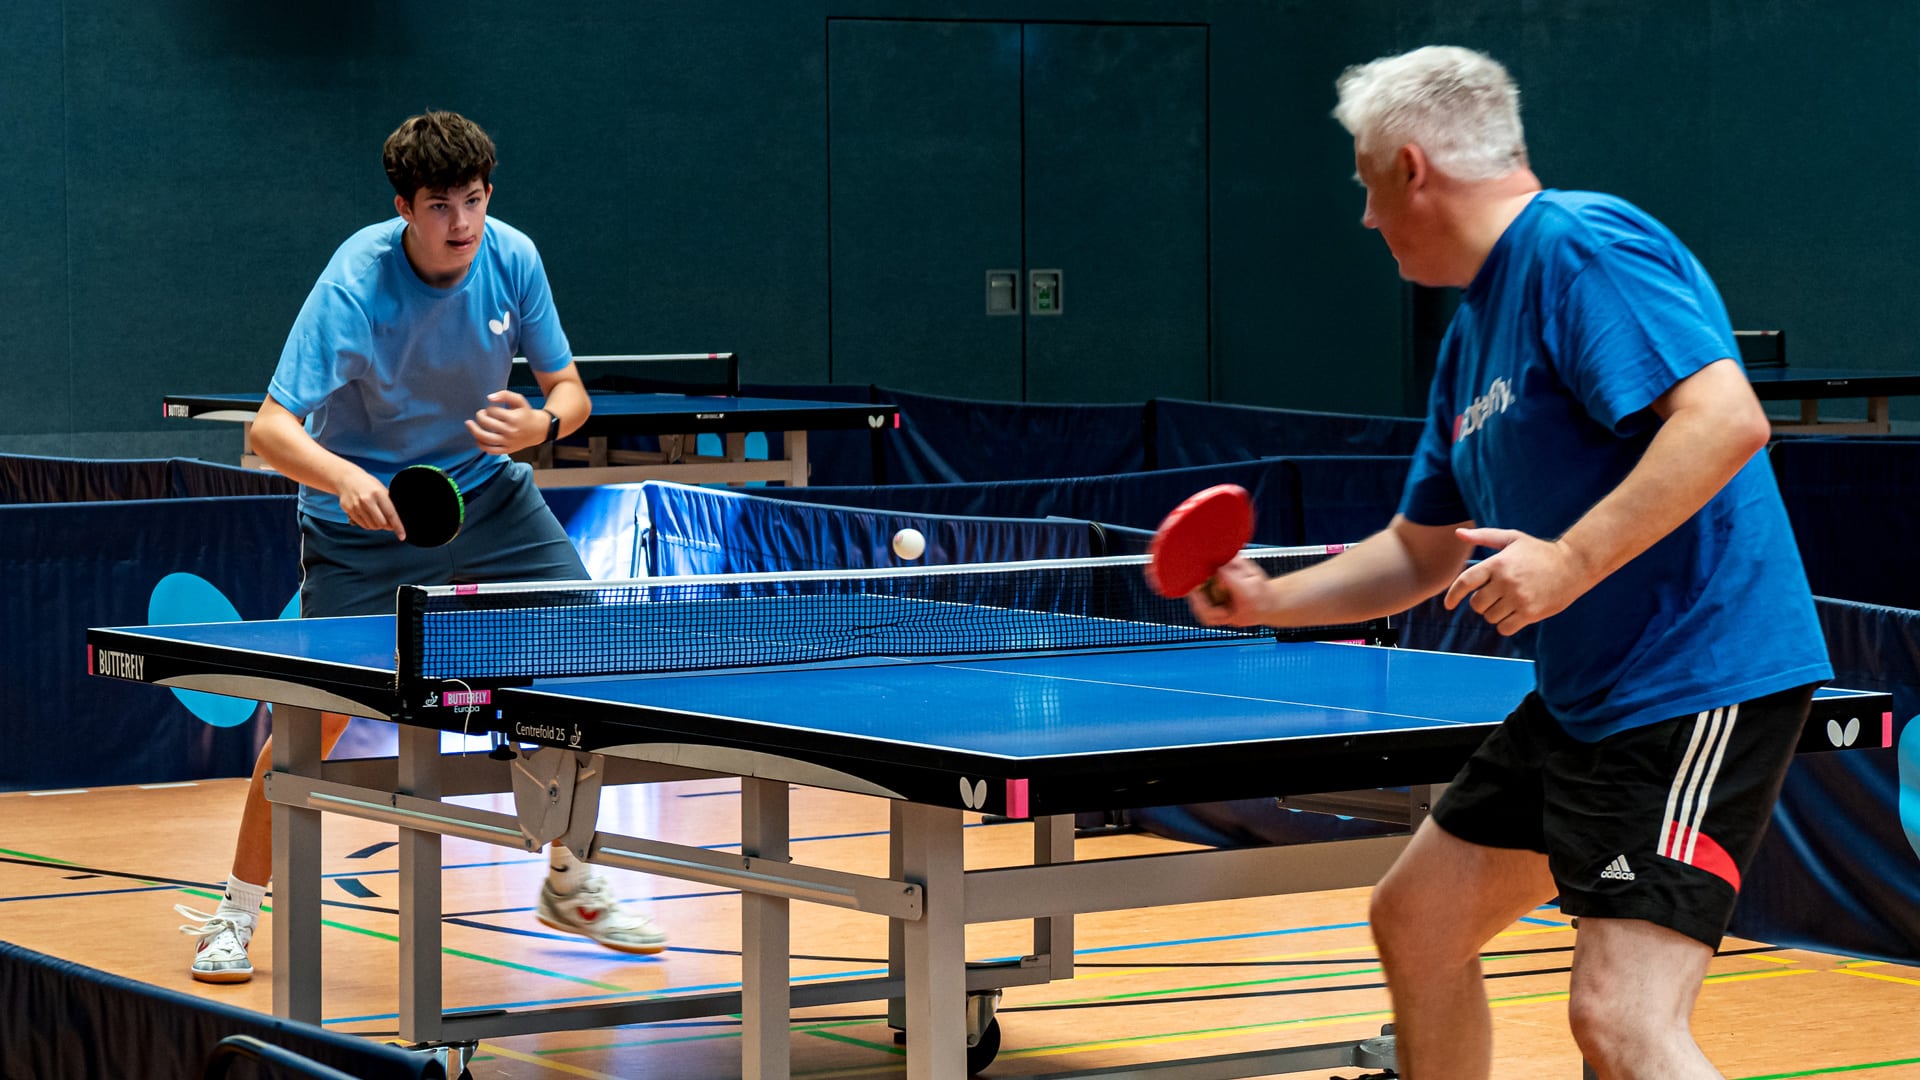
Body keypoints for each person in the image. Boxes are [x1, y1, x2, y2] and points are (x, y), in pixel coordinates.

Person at [1188, 46, 1830, 1079]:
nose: (1364, 218)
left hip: (1691, 685)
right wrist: (1267, 598)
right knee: (1418, 923)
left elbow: (1726, 419)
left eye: (1364, 186)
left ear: (1411, 167)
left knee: (1622, 1021)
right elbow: (1418, 550)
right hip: (1586, 701)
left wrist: (1570, 561)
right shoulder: (1473, 334)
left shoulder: (1581, 246)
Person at [175, 110, 667, 984]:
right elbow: (272, 430)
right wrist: (342, 479)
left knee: (582, 660)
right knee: (312, 721)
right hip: (368, 525)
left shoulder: (512, 257)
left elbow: (569, 390)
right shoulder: (354, 287)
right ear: (404, 207)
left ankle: (569, 878)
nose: (462, 224)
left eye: (474, 200)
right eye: (441, 206)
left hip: (489, 502)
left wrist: (543, 423)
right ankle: (232, 915)